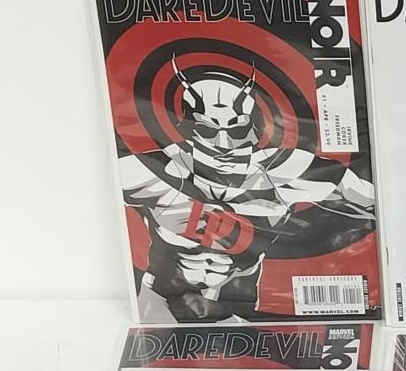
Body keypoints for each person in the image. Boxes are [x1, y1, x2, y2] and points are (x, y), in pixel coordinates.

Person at [120, 59, 375, 322]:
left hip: (239, 312)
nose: (223, 143)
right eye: (208, 129)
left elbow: (373, 201)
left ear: (253, 127)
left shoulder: (286, 171)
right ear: (188, 128)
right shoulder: (153, 171)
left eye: (237, 129)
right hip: (160, 308)